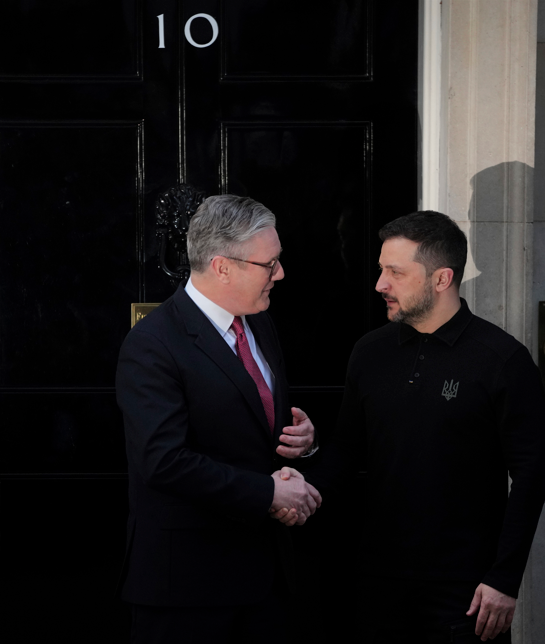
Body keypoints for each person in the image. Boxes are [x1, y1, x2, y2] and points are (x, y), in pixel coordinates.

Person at [291, 211, 545, 643]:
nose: (380, 284)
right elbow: (346, 450)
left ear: (441, 279)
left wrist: (504, 578)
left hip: (465, 589)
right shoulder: (369, 352)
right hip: (376, 579)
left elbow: (530, 476)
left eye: (395, 272)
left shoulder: (502, 360)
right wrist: (300, 491)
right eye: (381, 269)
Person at [116, 194, 323, 643]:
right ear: (223, 266)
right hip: (188, 589)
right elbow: (163, 461)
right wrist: (268, 490)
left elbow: (254, 428)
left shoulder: (260, 323)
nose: (280, 274)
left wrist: (302, 443)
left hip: (265, 580)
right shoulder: (154, 343)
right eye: (270, 264)